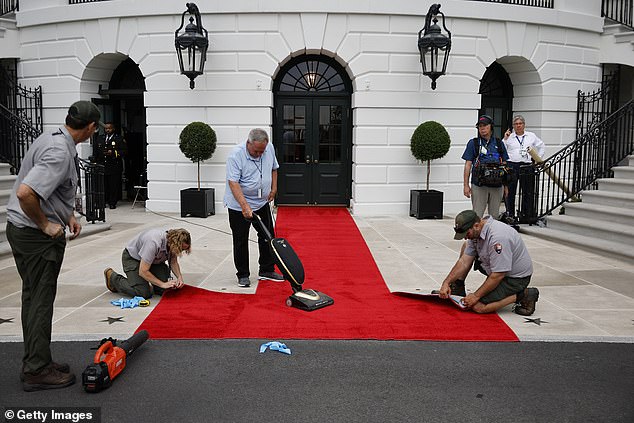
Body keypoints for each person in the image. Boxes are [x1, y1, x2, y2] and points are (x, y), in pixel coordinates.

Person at [6, 100, 102, 391]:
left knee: (32, 298)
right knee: (40, 301)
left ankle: (38, 359)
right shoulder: (61, 152)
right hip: (36, 237)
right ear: (90, 128)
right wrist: (46, 225)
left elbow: (49, 189)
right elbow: (26, 194)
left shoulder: (51, 137)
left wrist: (68, 214)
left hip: (22, 230)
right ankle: (36, 370)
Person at [437, 210, 539, 315]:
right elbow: (464, 261)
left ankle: (523, 295)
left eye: (467, 233)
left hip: (514, 279)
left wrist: (476, 296)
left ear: (476, 225)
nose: (465, 237)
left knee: (478, 306)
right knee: (466, 245)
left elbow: (498, 275)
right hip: (497, 270)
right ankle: (457, 287)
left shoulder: (498, 238)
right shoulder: (477, 231)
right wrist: (446, 282)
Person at [224, 128, 284, 287]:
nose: (259, 154)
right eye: (256, 151)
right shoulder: (236, 155)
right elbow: (233, 183)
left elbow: (274, 168)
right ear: (248, 143)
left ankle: (266, 270)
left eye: (262, 151)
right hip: (239, 205)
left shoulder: (268, 148)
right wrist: (245, 206)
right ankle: (243, 274)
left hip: (262, 202)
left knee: (267, 236)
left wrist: (274, 189)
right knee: (241, 239)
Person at [104, 228, 191, 299]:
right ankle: (112, 278)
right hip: (133, 259)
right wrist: (162, 284)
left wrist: (179, 277)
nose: (181, 252)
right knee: (143, 293)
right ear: (174, 244)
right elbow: (143, 271)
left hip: (153, 261)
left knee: (165, 290)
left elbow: (173, 261)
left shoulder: (171, 243)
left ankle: (147, 282)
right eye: (181, 249)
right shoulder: (153, 242)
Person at [462, 115, 510, 219]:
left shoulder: (499, 143)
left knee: (494, 216)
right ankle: (477, 235)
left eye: (485, 125)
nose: (482, 128)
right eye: (480, 126)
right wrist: (466, 185)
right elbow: (468, 164)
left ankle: (492, 235)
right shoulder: (473, 143)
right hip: (479, 185)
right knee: (477, 215)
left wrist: (505, 186)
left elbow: (505, 165)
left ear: (491, 127)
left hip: (497, 185)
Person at [503, 115, 546, 221]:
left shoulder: (531, 136)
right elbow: (502, 150)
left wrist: (538, 159)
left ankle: (526, 214)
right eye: (516, 124)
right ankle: (510, 214)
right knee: (510, 191)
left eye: (520, 123)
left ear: (524, 125)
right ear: (513, 126)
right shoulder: (509, 137)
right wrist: (505, 139)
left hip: (526, 165)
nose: (518, 126)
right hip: (512, 165)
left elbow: (541, 146)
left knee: (527, 191)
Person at [94, 122, 125, 209]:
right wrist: (95, 162)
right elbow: (96, 151)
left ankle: (112, 202)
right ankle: (102, 202)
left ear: (113, 129)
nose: (107, 130)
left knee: (113, 185)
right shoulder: (100, 138)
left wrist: (113, 153)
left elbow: (124, 151)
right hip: (102, 165)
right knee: (103, 185)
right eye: (106, 128)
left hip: (114, 166)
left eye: (109, 128)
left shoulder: (119, 138)